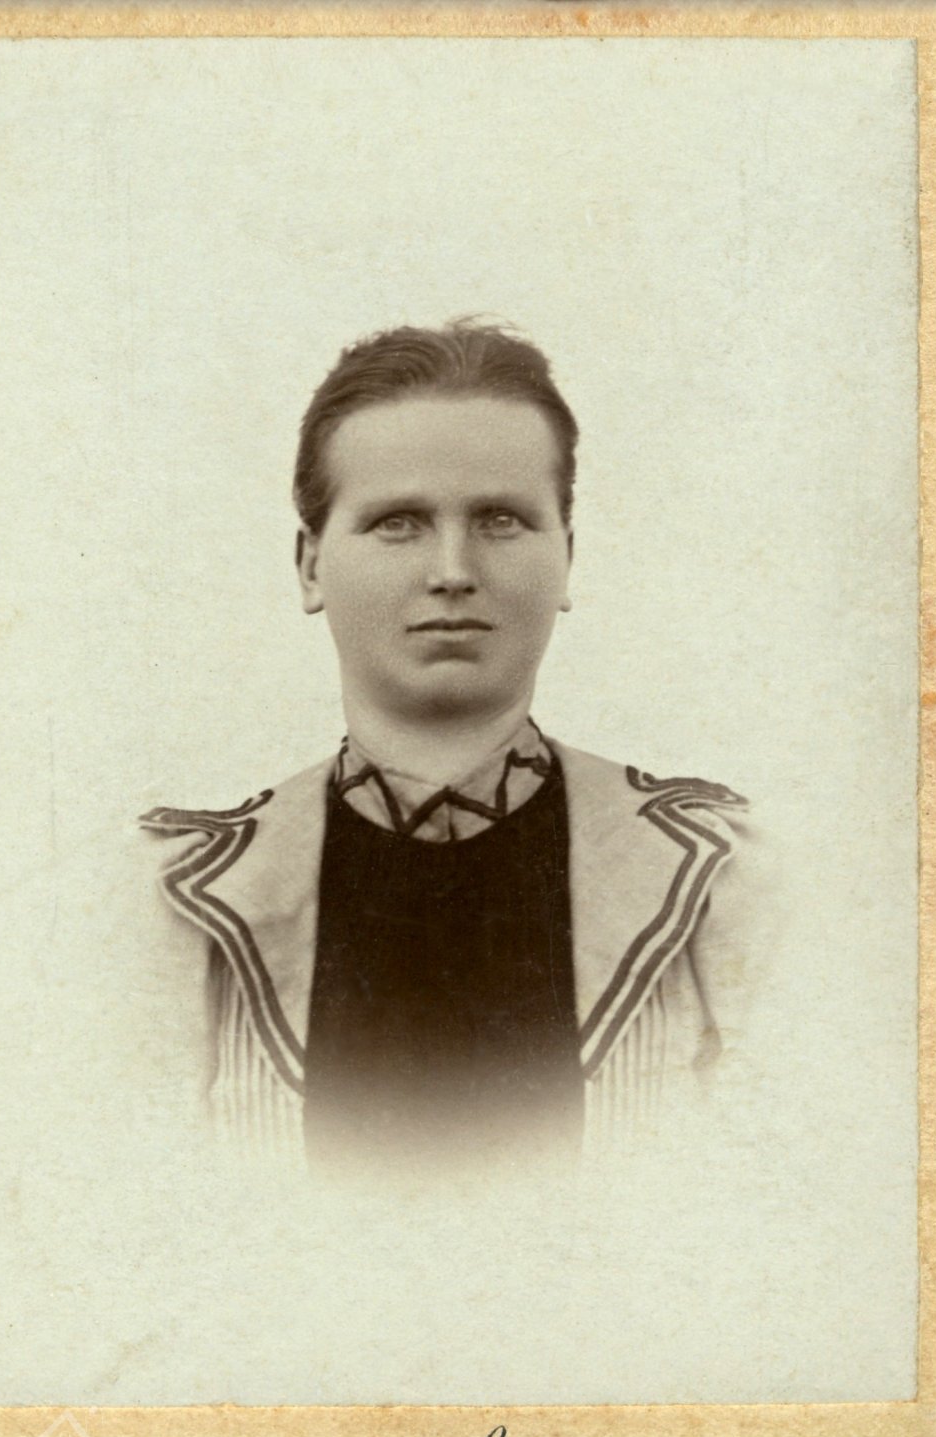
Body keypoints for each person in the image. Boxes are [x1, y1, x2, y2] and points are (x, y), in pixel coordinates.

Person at [141, 319, 757, 1187]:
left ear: (567, 558)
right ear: (310, 566)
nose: (453, 570)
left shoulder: (725, 879)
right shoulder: (167, 904)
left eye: (501, 520)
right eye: (398, 523)